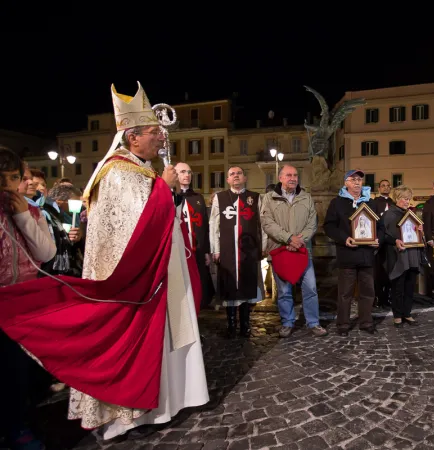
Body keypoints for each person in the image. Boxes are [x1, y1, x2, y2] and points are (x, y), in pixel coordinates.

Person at [0, 82, 209, 441]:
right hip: (130, 283)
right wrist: (164, 186)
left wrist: (161, 185)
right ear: (132, 138)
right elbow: (136, 227)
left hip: (157, 276)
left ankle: (160, 406)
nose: (161, 138)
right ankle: (126, 418)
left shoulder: (140, 168)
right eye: (153, 133)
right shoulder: (117, 173)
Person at [0, 146, 56, 450]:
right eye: (4, 179)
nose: (11, 186)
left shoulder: (31, 211)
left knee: (21, 371)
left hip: (25, 301)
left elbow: (47, 252)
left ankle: (20, 423)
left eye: (15, 178)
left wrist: (23, 215)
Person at [261, 164, 327, 338]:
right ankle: (287, 322)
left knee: (310, 288)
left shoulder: (306, 198)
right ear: (280, 178)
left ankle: (313, 322)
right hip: (280, 250)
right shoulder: (269, 198)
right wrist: (289, 238)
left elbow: (312, 223)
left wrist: (299, 240)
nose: (293, 178)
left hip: (302, 251)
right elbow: (267, 223)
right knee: (284, 291)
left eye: (295, 175)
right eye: (289, 175)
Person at [210, 166, 264, 338]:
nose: (236, 176)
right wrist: (215, 249)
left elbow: (262, 224)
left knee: (247, 287)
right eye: (232, 174)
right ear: (227, 179)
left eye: (239, 174)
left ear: (245, 178)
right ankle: (231, 324)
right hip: (227, 250)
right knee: (230, 287)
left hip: (248, 250)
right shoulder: (221, 198)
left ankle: (246, 325)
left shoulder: (254, 198)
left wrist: (262, 248)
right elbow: (214, 225)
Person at [323, 169, 378, 336]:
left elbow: (379, 227)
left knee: (368, 292)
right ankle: (343, 325)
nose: (357, 182)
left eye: (360, 180)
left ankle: (366, 323)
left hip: (367, 255)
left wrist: (378, 239)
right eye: (353, 179)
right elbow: (329, 226)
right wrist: (344, 238)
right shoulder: (337, 203)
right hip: (347, 254)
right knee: (345, 293)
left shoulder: (370, 203)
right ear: (346, 182)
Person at [379, 185, 425, 327]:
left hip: (411, 254)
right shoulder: (389, 215)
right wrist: (395, 241)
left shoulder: (411, 214)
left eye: (409, 199)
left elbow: (416, 235)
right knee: (398, 287)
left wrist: (420, 231)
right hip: (397, 256)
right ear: (397, 199)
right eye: (405, 199)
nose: (407, 202)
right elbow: (383, 235)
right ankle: (397, 315)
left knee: (410, 286)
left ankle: (407, 313)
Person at [175, 162, 214, 310]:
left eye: (189, 172)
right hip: (179, 249)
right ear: (176, 174)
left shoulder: (197, 198)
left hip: (197, 250)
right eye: (183, 172)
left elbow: (204, 226)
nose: (187, 175)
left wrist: (206, 252)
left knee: (199, 287)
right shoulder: (170, 196)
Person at [372, 180, 395, 307]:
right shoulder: (374, 203)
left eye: (388, 186)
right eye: (383, 186)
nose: (386, 188)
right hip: (378, 241)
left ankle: (388, 296)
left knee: (390, 270)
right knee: (378, 271)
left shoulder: (393, 203)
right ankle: (378, 296)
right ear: (379, 188)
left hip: (391, 242)